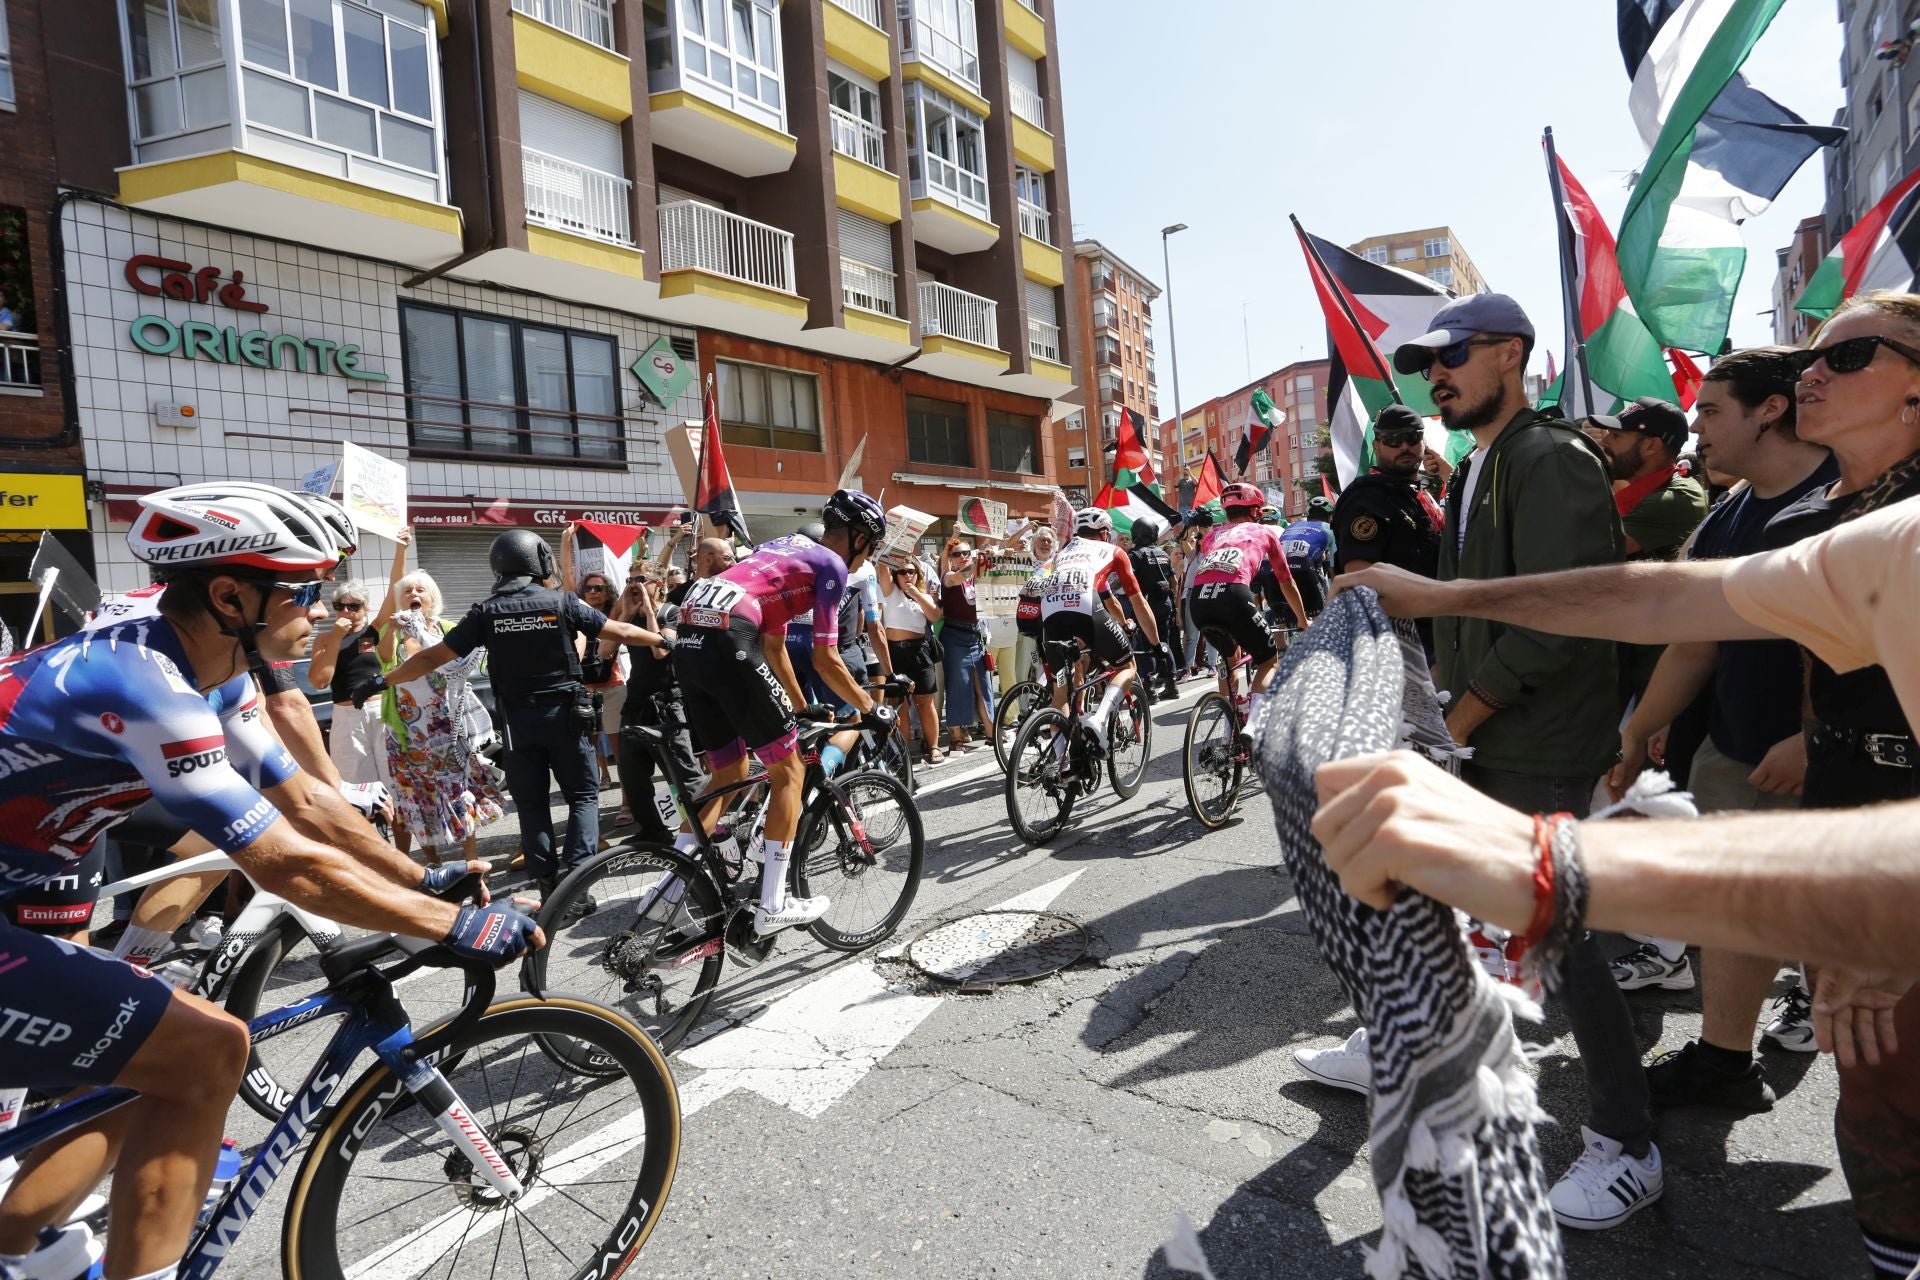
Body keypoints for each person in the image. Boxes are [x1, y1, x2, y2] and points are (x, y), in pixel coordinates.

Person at [1331, 488, 1920, 1280]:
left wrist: (1552, 869)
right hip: (1869, 882)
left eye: (1848, 357)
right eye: (1812, 356)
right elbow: (1667, 598)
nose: (1810, 376)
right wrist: (1445, 595)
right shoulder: (1885, 537)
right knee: (1883, 1103)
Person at [0, 483, 539, 1280]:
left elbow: (311, 803)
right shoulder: (148, 686)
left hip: (29, 884)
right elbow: (283, 860)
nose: (322, 608)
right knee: (209, 1051)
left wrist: (423, 879)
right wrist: (446, 926)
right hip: (25, 891)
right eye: (305, 590)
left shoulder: (214, 668)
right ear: (229, 596)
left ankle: (22, 1244)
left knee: (148, 1058)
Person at [1371, 290, 1657, 1234]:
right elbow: (1475, 609)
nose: (1435, 375)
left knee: (1562, 944)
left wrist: (1459, 714)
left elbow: (1560, 617)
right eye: (1426, 364)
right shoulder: (1476, 466)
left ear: (1510, 354)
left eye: (1452, 354)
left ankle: (1628, 1144)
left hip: (1531, 745)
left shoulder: (1547, 456)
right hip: (1484, 738)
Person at [1600, 349, 1837, 1094]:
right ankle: (1726, 1061)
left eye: (1708, 410)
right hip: (1737, 746)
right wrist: (1638, 736)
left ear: (1769, 410)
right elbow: (1694, 640)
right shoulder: (1729, 513)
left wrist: (1814, 738)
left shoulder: (1853, 498)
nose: (1695, 428)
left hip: (1831, 761)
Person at [364, 531, 664, 905]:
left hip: (517, 723)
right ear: (536, 560)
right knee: (584, 796)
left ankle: (547, 886)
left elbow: (431, 657)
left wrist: (381, 680)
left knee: (533, 805)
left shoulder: (486, 612)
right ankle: (576, 882)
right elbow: (617, 630)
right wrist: (662, 641)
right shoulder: (560, 601)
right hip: (566, 718)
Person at [671, 490, 893, 933]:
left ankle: (667, 894)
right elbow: (825, 658)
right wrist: (871, 708)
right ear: (859, 537)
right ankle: (773, 903)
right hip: (730, 635)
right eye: (872, 546)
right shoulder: (830, 564)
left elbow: (773, 645)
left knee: (728, 773)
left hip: (690, 633)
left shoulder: (777, 551)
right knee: (788, 771)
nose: (867, 556)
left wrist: (799, 705)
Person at [376, 555, 502, 868]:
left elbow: (464, 663)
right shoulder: (391, 630)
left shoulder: (448, 628)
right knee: (415, 798)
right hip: (407, 734)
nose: (414, 595)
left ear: (433, 598)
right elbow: (386, 658)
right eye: (408, 591)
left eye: (421, 590)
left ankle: (471, 861)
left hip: (448, 728)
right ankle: (431, 863)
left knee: (458, 791)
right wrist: (393, 629)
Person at [1594, 396, 1711, 703]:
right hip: (1631, 658)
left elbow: (1589, 549)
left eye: (1616, 436)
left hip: (1657, 670)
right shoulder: (1641, 490)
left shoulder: (1678, 497)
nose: (1604, 441)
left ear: (1650, 447)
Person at [1187, 483, 1307, 747]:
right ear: (1256, 511)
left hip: (1199, 601)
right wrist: (1302, 620)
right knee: (1267, 660)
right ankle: (1252, 725)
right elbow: (1286, 582)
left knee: (1231, 660)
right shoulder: (1264, 531)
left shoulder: (1211, 536)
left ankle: (1228, 728)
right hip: (1234, 595)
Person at [1037, 509, 1161, 752]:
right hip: (1083, 607)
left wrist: (1121, 620)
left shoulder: (1063, 553)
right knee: (1127, 666)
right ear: (1105, 532)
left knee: (1061, 693)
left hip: (1049, 614)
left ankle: (1062, 765)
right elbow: (1138, 601)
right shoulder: (1113, 551)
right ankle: (1099, 719)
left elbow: (1110, 599)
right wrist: (1156, 644)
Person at [1330, 404, 1445, 655]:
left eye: (1412, 437)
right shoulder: (1367, 498)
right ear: (1377, 446)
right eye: (1392, 440)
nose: (1404, 446)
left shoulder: (1420, 495)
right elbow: (1362, 584)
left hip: (1440, 637)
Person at [603, 566, 696, 843]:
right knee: (632, 774)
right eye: (631, 579)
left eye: (642, 580)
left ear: (659, 584)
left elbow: (659, 651)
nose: (635, 585)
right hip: (635, 703)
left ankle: (700, 829)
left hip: (667, 704)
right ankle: (653, 831)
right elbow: (604, 651)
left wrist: (649, 614)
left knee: (681, 774)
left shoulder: (672, 612)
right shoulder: (628, 618)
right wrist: (625, 615)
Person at [879, 560, 944, 765]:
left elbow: (934, 615)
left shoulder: (922, 595)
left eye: (912, 571)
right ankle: (903, 752)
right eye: (902, 572)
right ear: (895, 575)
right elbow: (882, 565)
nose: (907, 576)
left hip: (920, 650)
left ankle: (933, 747)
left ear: (918, 573)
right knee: (900, 704)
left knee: (925, 702)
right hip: (895, 651)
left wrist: (916, 594)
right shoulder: (889, 591)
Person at [938, 536, 995, 752]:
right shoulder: (949, 576)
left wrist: (998, 556)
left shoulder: (976, 576)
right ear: (950, 559)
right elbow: (962, 575)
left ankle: (991, 732)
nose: (962, 557)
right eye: (957, 554)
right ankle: (956, 736)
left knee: (984, 685)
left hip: (975, 636)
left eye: (966, 553)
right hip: (954, 637)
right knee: (958, 685)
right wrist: (980, 561)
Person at [1126, 516, 1183, 703]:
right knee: (1163, 643)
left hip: (1145, 606)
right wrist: (1174, 605)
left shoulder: (1135, 555)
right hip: (1165, 604)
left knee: (1145, 646)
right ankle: (1171, 686)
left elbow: (1126, 580)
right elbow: (1174, 582)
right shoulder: (1163, 554)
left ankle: (1149, 690)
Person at [1278, 496, 1337, 620]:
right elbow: (1333, 567)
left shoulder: (1291, 526)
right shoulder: (1330, 529)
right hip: (1305, 569)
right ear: (1330, 517)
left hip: (1278, 572)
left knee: (1282, 621)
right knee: (1320, 616)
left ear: (1309, 515)